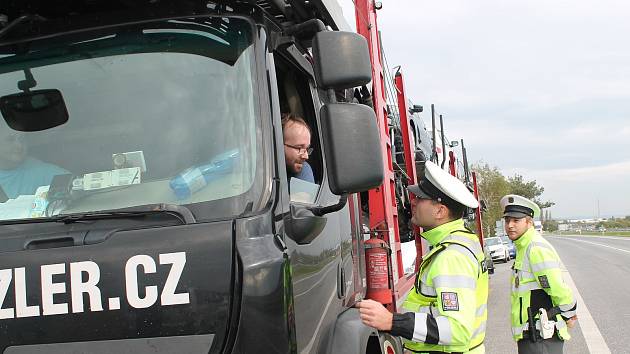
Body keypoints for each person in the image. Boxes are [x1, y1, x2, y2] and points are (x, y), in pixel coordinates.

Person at [357, 161, 488, 353]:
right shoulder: (459, 242)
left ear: (440, 211)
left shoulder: (451, 257)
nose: (413, 201)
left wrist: (392, 321)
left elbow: (457, 329)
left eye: (420, 198)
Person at [501, 195, 577, 353]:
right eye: (507, 220)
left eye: (516, 220)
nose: (510, 225)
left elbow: (558, 289)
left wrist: (569, 315)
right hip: (532, 336)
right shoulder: (524, 247)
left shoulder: (535, 248)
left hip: (542, 337)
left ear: (529, 222)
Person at [0, 127, 69, 199]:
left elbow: (76, 184)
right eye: (10, 140)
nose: (19, 145)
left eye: (22, 139)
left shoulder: (41, 170)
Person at [281, 113, 314, 183]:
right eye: (299, 148)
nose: (306, 156)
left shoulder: (304, 170)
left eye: (307, 149)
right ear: (280, 145)